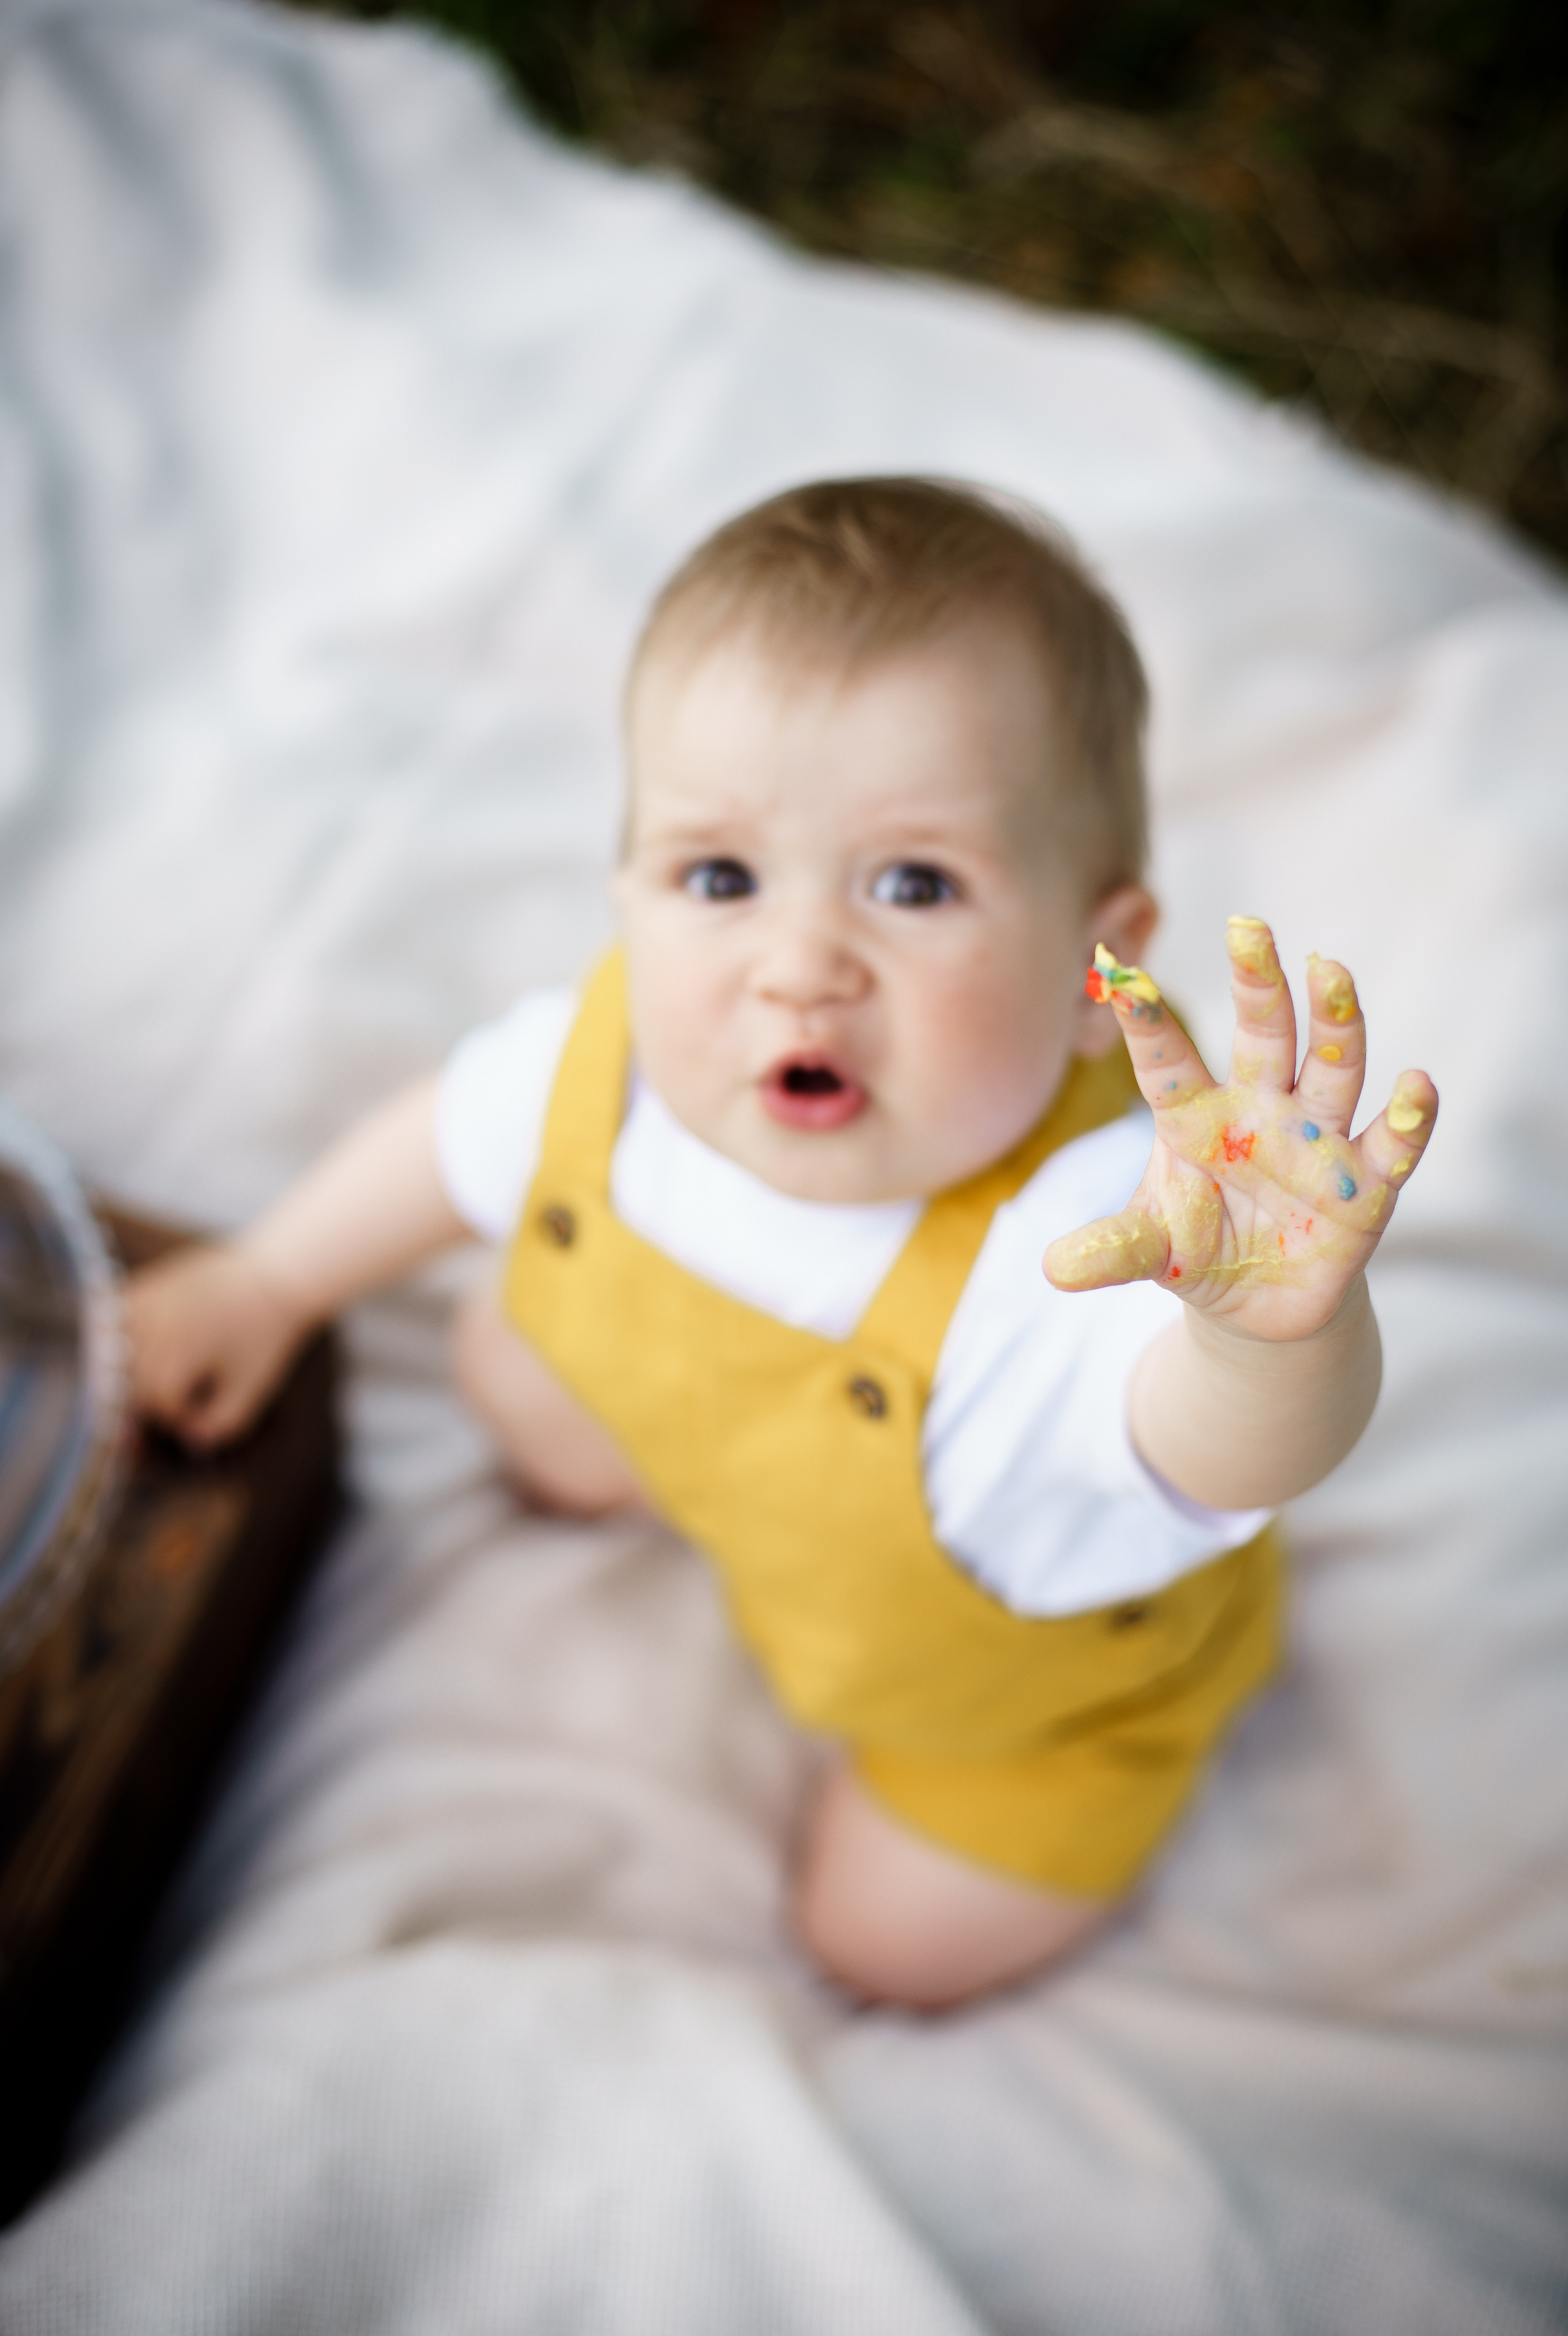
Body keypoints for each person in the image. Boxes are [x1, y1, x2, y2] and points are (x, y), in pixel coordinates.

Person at [127, 478, 1437, 2010]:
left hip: (1014, 1697)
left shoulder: (1090, 1236)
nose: (799, 965)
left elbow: (1226, 1450)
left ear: (1102, 964)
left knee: (885, 1943)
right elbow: (452, 1134)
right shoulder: (618, 1066)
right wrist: (273, 1276)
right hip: (741, 1473)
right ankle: (663, 1470)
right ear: (626, 888)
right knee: (514, 1357)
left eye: (913, 885)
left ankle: (1089, 1777)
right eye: (720, 878)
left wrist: (1264, 1332)